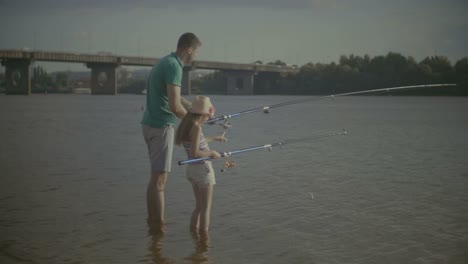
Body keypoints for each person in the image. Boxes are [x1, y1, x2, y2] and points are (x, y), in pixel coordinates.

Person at [142, 32, 201, 231]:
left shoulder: (166, 61)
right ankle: (159, 228)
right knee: (160, 181)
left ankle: (153, 224)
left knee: (155, 179)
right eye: (196, 51)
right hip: (161, 127)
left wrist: (194, 108)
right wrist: (194, 124)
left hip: (149, 124)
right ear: (190, 49)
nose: (196, 56)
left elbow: (175, 97)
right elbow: (175, 107)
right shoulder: (175, 66)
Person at [175, 96, 226, 235]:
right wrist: (212, 153)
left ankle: (194, 235)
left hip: (192, 170)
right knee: (206, 209)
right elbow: (195, 152)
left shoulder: (189, 125)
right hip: (203, 170)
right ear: (204, 114)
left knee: (199, 206)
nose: (210, 118)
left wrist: (215, 138)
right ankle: (204, 241)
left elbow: (197, 142)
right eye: (209, 115)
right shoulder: (197, 128)